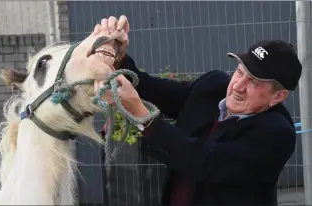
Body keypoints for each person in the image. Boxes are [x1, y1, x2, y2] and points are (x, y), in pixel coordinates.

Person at [94, 16, 302, 206]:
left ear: (278, 96)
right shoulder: (214, 87)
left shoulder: (276, 133)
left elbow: (206, 162)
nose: (238, 86)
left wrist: (141, 114)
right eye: (240, 72)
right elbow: (154, 90)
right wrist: (118, 57)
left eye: (254, 82)